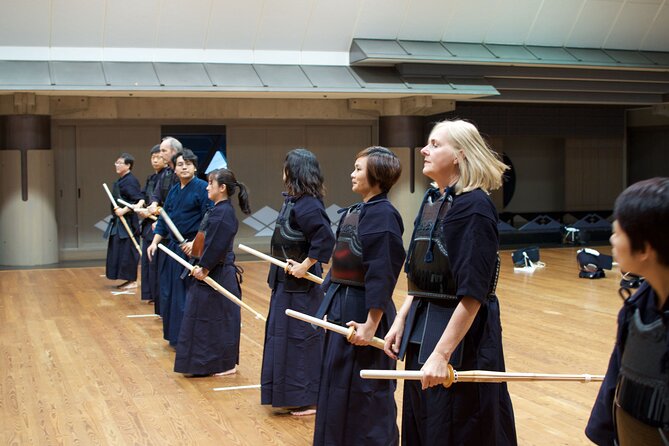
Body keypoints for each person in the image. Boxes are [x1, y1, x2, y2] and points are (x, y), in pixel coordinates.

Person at [384, 120, 517, 446]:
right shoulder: (432, 202)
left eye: (434, 144)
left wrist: (443, 354)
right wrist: (402, 318)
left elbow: (473, 294)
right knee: (422, 419)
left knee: (459, 425)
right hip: (422, 329)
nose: (424, 151)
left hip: (461, 339)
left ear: (459, 154)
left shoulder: (475, 208)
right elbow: (420, 272)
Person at [313, 146, 405, 446]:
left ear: (376, 175)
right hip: (343, 304)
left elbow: (382, 274)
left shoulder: (384, 216)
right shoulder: (357, 211)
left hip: (365, 310)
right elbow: (340, 260)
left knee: (365, 394)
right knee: (337, 386)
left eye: (358, 169)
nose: (352, 174)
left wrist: (371, 323)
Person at [585, 177, 669, 446]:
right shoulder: (636, 307)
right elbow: (615, 378)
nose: (611, 239)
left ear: (644, 248)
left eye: (617, 232)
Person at [261, 148, 335, 416]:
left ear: (294, 171)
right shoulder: (293, 201)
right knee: (283, 338)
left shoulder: (309, 205)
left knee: (302, 339)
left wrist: (306, 265)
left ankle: (309, 397)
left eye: (285, 167)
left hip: (301, 288)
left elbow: (325, 238)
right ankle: (290, 393)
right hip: (285, 284)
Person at [174, 168, 251, 377]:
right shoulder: (216, 210)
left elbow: (218, 244)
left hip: (219, 274)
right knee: (200, 316)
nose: (207, 186)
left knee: (221, 320)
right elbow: (207, 238)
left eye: (210, 183)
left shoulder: (224, 213)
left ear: (222, 188)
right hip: (209, 272)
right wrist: (194, 247)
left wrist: (204, 267)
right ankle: (203, 363)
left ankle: (225, 364)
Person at [147, 149, 212, 347]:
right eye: (180, 164)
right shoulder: (174, 190)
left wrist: (196, 243)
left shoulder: (202, 188)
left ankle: (189, 338)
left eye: (188, 164)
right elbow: (165, 219)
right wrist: (155, 241)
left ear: (195, 167)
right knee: (169, 293)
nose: (184, 167)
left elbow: (208, 218)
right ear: (174, 169)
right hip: (174, 248)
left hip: (192, 249)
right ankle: (175, 336)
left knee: (186, 295)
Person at [104, 153, 143, 289]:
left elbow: (138, 200)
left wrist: (124, 210)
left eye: (120, 163)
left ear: (128, 165)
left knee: (128, 250)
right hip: (119, 221)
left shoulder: (131, 181)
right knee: (118, 250)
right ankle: (128, 279)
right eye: (116, 162)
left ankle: (132, 280)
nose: (117, 165)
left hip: (128, 223)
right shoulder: (121, 180)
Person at [135, 144, 166, 311]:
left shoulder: (166, 178)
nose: (155, 160)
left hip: (158, 222)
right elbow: (144, 195)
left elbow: (163, 201)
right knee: (147, 261)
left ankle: (157, 295)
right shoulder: (150, 178)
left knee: (155, 261)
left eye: (159, 157)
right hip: (148, 222)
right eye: (153, 157)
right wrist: (141, 206)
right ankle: (150, 293)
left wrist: (153, 213)